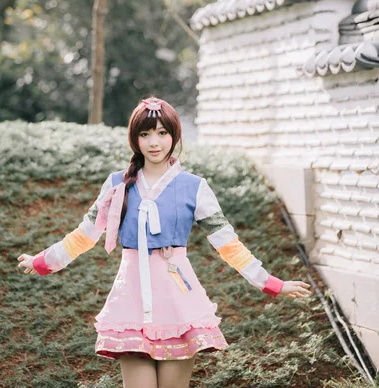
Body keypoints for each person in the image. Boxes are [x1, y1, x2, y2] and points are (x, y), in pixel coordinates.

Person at [17, 96, 311, 388]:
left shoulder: (194, 187)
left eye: (162, 133)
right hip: (131, 300)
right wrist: (42, 261)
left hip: (177, 300)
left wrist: (271, 283)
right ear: (135, 139)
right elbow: (85, 234)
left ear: (174, 136)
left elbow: (228, 244)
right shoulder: (118, 184)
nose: (154, 142)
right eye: (145, 134)